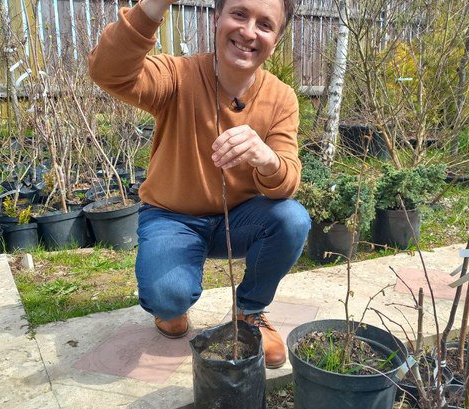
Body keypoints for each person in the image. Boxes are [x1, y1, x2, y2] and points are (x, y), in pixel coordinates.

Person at [88, 0, 310, 369]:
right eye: (239, 14)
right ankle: (170, 304)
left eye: (265, 25)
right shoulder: (178, 76)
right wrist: (154, 5)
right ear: (217, 17)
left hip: (237, 220)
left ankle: (249, 311)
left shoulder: (281, 98)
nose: (249, 32)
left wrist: (266, 158)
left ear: (275, 40)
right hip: (172, 217)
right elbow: (108, 71)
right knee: (168, 298)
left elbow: (286, 182)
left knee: (292, 218)